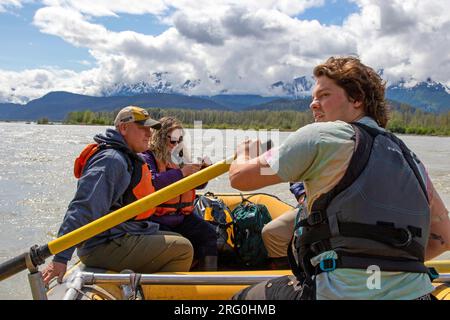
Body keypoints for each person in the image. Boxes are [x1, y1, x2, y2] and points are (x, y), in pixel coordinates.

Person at [229, 56, 450, 300]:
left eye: (324, 95)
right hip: (417, 294)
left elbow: (240, 178)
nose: (313, 104)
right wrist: (385, 267)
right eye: (313, 97)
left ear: (357, 98)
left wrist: (244, 154)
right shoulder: (412, 159)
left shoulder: (322, 136)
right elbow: (443, 239)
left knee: (242, 299)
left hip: (339, 292)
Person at [42, 106, 194, 286]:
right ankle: (151, 293)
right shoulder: (111, 160)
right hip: (103, 244)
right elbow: (83, 208)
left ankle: (137, 282)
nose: (149, 134)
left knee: (178, 236)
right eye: (142, 128)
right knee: (183, 250)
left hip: (122, 233)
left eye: (150, 129)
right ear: (123, 128)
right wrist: (60, 257)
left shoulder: (127, 156)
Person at [140, 116, 218, 271]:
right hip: (158, 219)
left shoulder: (181, 157)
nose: (176, 144)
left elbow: (199, 185)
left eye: (179, 140)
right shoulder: (146, 157)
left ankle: (209, 279)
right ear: (160, 138)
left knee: (209, 235)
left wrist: (205, 172)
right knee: (179, 244)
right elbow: (152, 183)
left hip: (182, 217)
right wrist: (182, 173)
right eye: (172, 140)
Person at [262, 182, 306, 269]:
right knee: (271, 231)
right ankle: (287, 269)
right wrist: (302, 193)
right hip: (311, 199)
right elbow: (295, 176)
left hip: (336, 201)